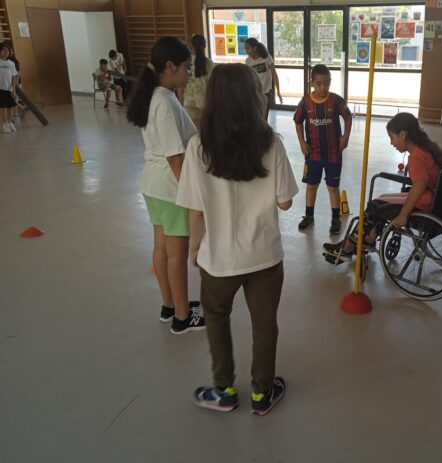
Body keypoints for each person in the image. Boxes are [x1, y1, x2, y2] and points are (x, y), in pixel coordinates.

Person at [176, 63, 298, 415]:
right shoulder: (270, 142)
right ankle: (262, 393)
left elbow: (195, 210)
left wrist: (195, 247)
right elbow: (286, 202)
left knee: (216, 317)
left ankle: (224, 390)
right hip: (265, 257)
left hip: (219, 258)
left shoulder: (198, 147)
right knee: (264, 325)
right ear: (253, 98)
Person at [127, 36, 205, 334]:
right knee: (176, 253)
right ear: (170, 66)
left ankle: (169, 305)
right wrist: (194, 196)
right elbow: (176, 159)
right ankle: (183, 317)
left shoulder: (159, 95)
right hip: (171, 187)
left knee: (161, 248)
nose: (188, 73)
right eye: (186, 68)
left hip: (153, 185)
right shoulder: (164, 103)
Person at [322, 112, 442, 264]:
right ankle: (368, 239)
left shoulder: (416, 156)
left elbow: (419, 185)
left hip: (425, 204)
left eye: (392, 137)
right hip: (435, 200)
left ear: (402, 135)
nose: (391, 143)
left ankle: (347, 248)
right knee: (381, 200)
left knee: (375, 206)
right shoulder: (428, 148)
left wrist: (403, 216)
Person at [294, 64, 352, 234]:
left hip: (334, 153)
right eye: (318, 84)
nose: (323, 87)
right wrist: (302, 142)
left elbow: (348, 118)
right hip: (313, 154)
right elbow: (298, 121)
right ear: (311, 83)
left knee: (333, 187)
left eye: (326, 83)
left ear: (330, 82)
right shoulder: (305, 102)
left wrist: (346, 137)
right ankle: (308, 216)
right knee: (312, 186)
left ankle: (335, 219)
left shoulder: (336, 100)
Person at [244, 38, 282, 118]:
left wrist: (278, 91)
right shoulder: (248, 61)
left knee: (264, 117)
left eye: (248, 48)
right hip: (253, 93)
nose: (246, 50)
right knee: (255, 117)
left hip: (265, 93)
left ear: (255, 48)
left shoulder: (267, 58)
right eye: (245, 48)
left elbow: (274, 74)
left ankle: (263, 130)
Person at [183, 34, 215, 126]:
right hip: (205, 103)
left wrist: (181, 102)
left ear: (191, 46)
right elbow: (212, 85)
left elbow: (181, 87)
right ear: (205, 46)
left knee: (193, 133)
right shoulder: (210, 64)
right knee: (206, 131)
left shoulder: (186, 63)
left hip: (189, 102)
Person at [0, 43, 18, 133]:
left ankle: (10, 122)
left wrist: (14, 89)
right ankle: (5, 124)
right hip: (1, 89)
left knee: (12, 106)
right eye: (3, 50)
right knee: (3, 107)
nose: (6, 52)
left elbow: (14, 76)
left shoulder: (11, 63)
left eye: (7, 51)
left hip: (10, 89)